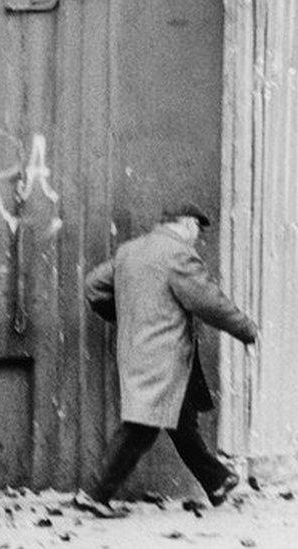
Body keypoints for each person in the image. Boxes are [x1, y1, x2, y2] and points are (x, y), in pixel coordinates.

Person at [75, 202, 258, 518]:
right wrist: (247, 330)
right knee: (142, 426)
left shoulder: (130, 251)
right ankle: (94, 493)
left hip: (138, 350)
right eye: (198, 230)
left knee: (181, 419)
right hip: (164, 356)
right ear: (187, 224)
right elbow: (209, 302)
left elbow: (94, 286)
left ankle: (217, 481)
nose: (197, 238)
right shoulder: (178, 255)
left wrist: (127, 313)